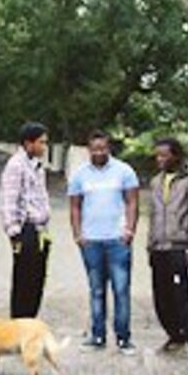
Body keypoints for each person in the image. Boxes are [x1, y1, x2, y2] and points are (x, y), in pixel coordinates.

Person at [68, 130, 140, 355]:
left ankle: (123, 338)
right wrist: (78, 234)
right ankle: (97, 336)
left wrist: (129, 230)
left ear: (109, 148)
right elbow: (75, 206)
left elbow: (132, 202)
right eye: (94, 149)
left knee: (121, 290)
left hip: (118, 240)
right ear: (88, 149)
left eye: (103, 148)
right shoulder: (79, 175)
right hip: (92, 241)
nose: (99, 152)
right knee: (96, 290)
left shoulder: (124, 171)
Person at [146, 137, 188, 358]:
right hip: (159, 248)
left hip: (180, 247)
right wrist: (150, 245)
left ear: (176, 156)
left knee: (184, 296)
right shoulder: (156, 182)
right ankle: (175, 335)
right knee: (162, 296)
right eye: (157, 155)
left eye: (164, 155)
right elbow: (154, 215)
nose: (160, 159)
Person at [0, 121, 53, 318]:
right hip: (26, 231)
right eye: (41, 142)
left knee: (37, 281)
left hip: (41, 230)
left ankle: (30, 324)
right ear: (28, 143)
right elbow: (9, 200)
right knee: (24, 281)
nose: (44, 147)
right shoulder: (16, 166)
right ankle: (19, 324)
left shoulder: (37, 165)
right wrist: (15, 233)